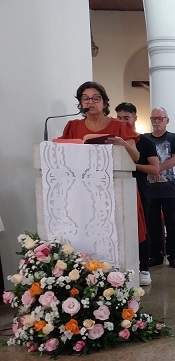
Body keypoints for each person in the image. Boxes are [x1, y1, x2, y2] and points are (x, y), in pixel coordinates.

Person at [59, 83, 149, 284]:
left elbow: (136, 157)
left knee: (119, 235)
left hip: (115, 189)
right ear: (80, 103)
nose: (90, 102)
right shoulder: (73, 127)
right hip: (83, 192)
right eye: (85, 98)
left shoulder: (120, 126)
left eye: (95, 98)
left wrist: (122, 143)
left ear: (105, 101)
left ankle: (123, 278)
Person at [115, 102, 160, 286]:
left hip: (139, 188)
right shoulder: (113, 139)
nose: (122, 121)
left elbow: (155, 168)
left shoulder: (145, 142)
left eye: (126, 118)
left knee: (141, 228)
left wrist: (131, 166)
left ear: (135, 118)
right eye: (118, 118)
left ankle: (143, 269)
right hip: (116, 189)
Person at [144, 107, 175, 269]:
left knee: (173, 223)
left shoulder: (173, 138)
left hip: (170, 188)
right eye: (154, 118)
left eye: (160, 118)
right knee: (152, 224)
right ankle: (155, 255)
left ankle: (174, 256)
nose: (157, 122)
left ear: (167, 120)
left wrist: (157, 168)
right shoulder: (145, 139)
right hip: (150, 189)